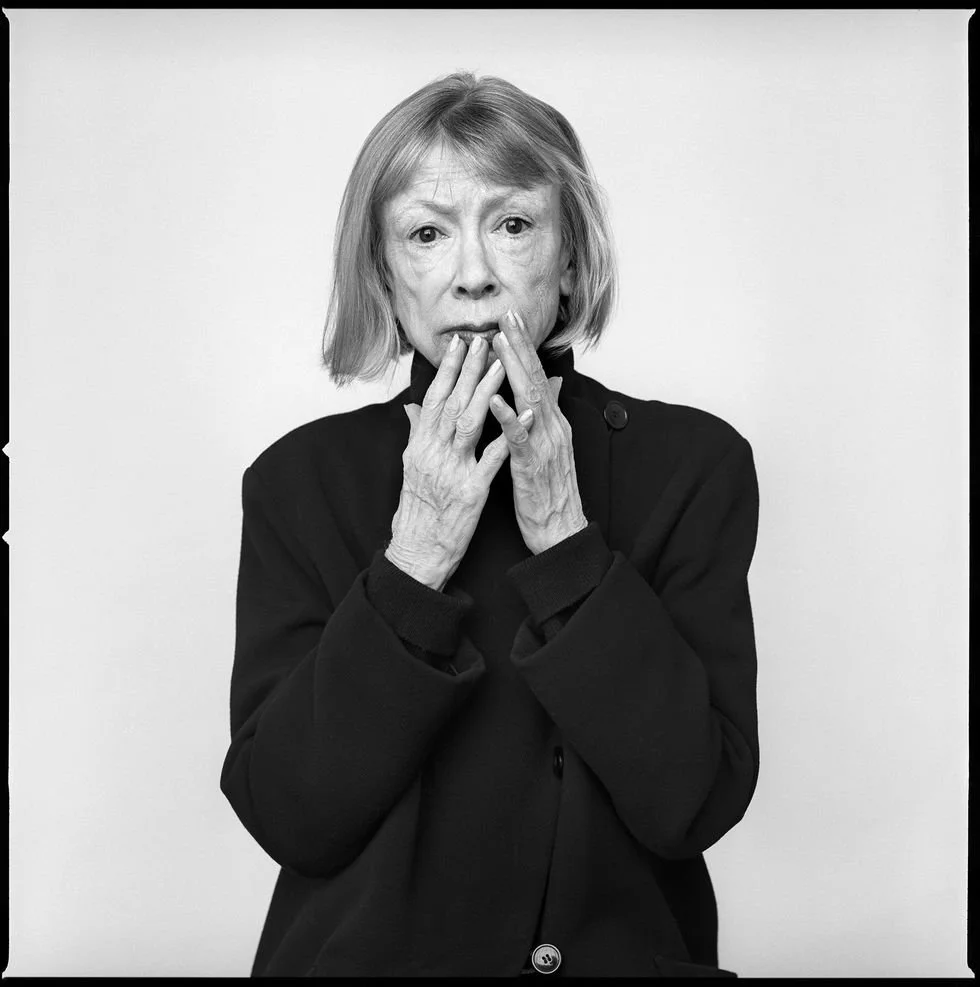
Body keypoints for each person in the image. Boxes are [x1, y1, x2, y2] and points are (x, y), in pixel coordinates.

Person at [220, 71, 760, 979]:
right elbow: (291, 813)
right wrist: (412, 558)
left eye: (512, 224)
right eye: (427, 233)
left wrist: (568, 542)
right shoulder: (297, 481)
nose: (473, 274)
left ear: (572, 259)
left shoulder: (693, 464)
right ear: (384, 274)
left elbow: (693, 800)